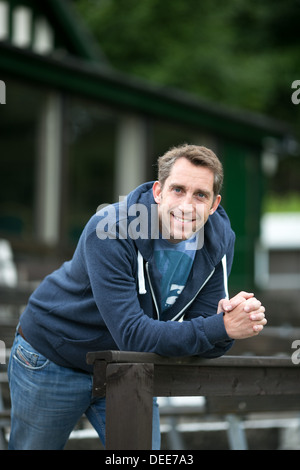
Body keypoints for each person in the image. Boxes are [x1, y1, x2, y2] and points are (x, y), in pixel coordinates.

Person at [8, 144, 266, 450]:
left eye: (200, 194)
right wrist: (220, 327)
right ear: (158, 192)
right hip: (53, 356)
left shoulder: (218, 239)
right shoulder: (110, 229)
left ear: (214, 204)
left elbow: (205, 338)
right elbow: (133, 333)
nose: (186, 205)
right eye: (178, 190)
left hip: (130, 368)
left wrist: (231, 323)